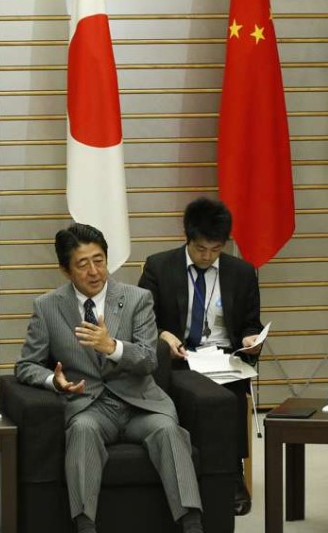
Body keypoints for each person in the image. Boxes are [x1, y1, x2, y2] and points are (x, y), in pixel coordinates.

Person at [16, 223, 204, 533]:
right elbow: (26, 365)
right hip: (89, 406)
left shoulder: (137, 299)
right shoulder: (48, 307)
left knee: (169, 432)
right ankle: (85, 526)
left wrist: (113, 347)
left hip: (141, 404)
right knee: (82, 431)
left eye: (99, 260)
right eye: (82, 264)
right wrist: (53, 381)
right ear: (65, 270)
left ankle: (192, 525)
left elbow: (149, 358)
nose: (94, 271)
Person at [137, 197, 261, 515]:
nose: (207, 257)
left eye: (216, 249)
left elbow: (251, 322)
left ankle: (232, 472)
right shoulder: (159, 267)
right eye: (201, 249)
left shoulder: (242, 273)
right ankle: (184, 469)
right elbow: (140, 321)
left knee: (232, 393)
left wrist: (251, 339)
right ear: (187, 238)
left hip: (224, 358)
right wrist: (163, 335)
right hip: (178, 358)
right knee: (188, 391)